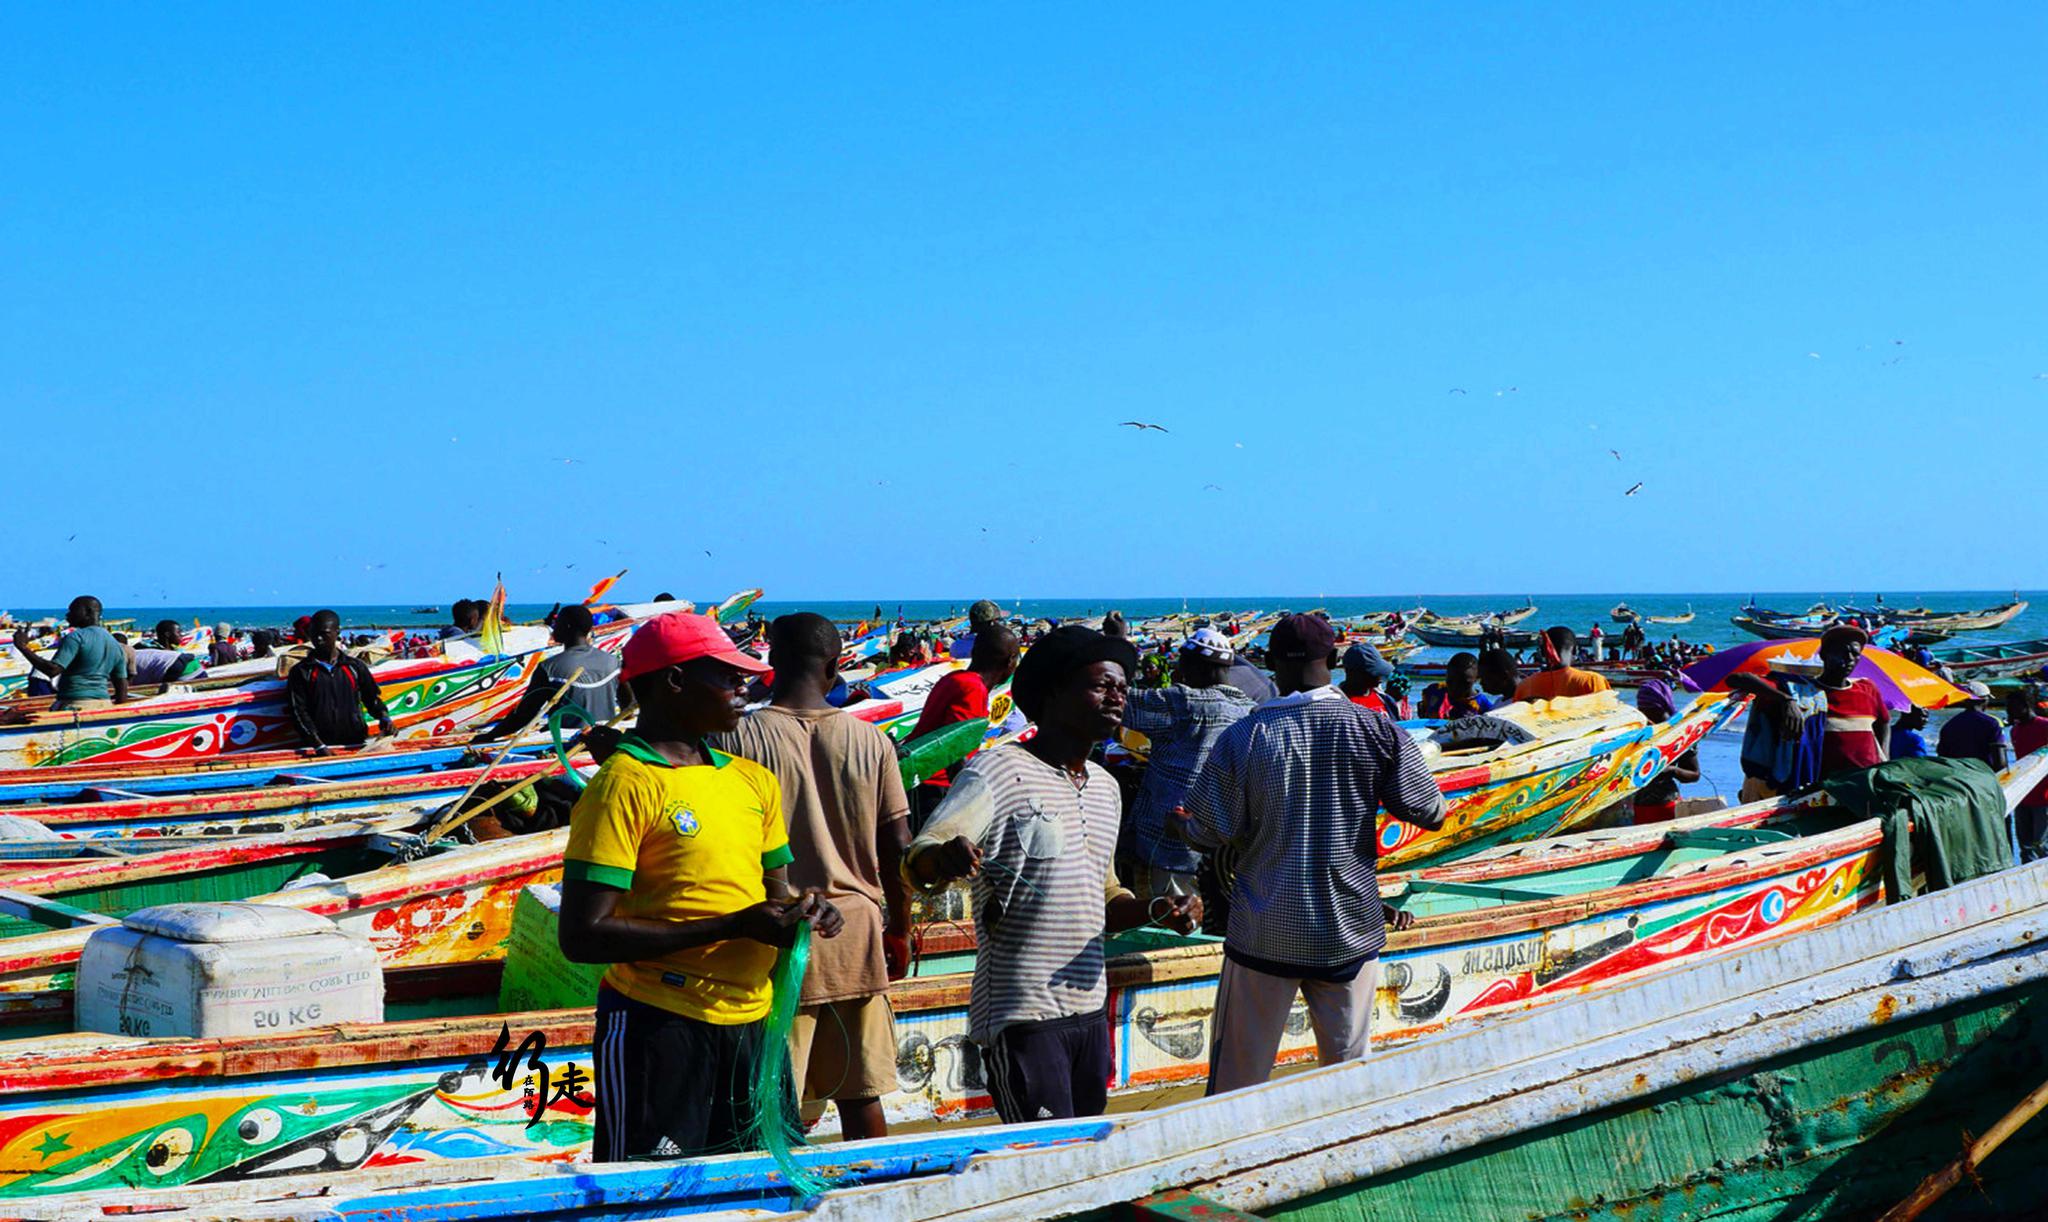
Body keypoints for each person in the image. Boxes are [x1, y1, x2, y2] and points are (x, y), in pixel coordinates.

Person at [557, 610, 843, 1161]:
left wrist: (806, 911)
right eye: (728, 677)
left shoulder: (749, 780)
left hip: (753, 1025)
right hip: (659, 1024)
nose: (745, 688)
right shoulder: (623, 785)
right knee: (649, 1200)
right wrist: (734, 926)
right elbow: (584, 935)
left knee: (760, 1187)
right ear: (674, 681)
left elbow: (773, 893)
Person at [903, 625, 1195, 1125]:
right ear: (1054, 692)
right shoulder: (998, 771)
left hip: (1087, 1009)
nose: (1117, 697)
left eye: (1122, 687)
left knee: (1085, 1151)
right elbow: (920, 859)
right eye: (1102, 685)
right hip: (1022, 1014)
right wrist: (945, 857)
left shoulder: (1105, 787)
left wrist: (1158, 910)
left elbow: (1103, 897)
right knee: (1040, 1155)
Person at [1182, 613, 1446, 1096]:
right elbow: (1429, 811)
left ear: (1271, 663)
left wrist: (1180, 823)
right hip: (1348, 929)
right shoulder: (1376, 729)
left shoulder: (1245, 736)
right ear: (1335, 659)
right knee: (1348, 1080)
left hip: (1265, 933)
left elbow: (1206, 833)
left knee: (1238, 1083)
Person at [715, 613, 911, 1142]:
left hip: (781, 938)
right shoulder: (873, 741)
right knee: (861, 1095)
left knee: (773, 1106)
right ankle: (879, 1198)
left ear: (770, 661)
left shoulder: (736, 737)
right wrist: (901, 928)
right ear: (835, 664)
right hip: (859, 934)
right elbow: (898, 850)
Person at [1115, 627, 1255, 899]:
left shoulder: (1184, 703)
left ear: (1191, 665)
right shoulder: (1249, 710)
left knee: (1167, 920)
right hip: (1221, 852)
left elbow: (1120, 704)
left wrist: (1117, 641)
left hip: (1169, 847)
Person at [1729, 625, 1888, 791]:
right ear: (1824, 655)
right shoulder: (1801, 689)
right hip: (1822, 788)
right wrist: (1787, 700)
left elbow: (1884, 722)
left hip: (1865, 783)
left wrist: (1884, 757)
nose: (1848, 659)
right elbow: (1738, 679)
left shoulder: (1867, 688)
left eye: (1855, 654)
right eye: (1841, 652)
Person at [903, 625, 1020, 825]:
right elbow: (956, 752)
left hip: (920, 780)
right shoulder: (972, 688)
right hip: (934, 787)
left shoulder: (954, 678)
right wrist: (968, 799)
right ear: (1011, 661)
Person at [475, 605, 628, 742]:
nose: (554, 627)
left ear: (567, 626)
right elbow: (627, 704)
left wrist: (490, 736)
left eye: (557, 623)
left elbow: (524, 715)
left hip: (568, 741)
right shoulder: (613, 661)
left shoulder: (549, 667)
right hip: (606, 738)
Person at [285, 611, 396, 754]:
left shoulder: (355, 667)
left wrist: (384, 718)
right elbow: (298, 712)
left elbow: (372, 698)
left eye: (324, 634)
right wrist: (318, 745)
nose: (318, 639)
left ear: (337, 632)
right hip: (320, 747)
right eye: (313, 634)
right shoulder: (301, 671)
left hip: (355, 742)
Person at [10, 596, 128, 711]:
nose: (67, 615)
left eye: (73, 610)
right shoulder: (115, 644)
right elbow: (122, 686)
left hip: (75, 704)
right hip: (103, 704)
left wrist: (23, 647)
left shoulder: (76, 637)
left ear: (88, 612)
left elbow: (53, 670)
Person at [1630, 680, 1700, 824]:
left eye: (1650, 709)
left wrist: (1670, 770)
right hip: (1638, 803)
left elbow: (1694, 774)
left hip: (1666, 802)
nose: (1646, 714)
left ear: (1661, 705)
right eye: (1642, 709)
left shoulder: (1680, 732)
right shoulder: (1639, 731)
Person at [1512, 627, 1612, 702]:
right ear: (1575, 650)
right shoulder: (1592, 681)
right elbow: (1610, 717)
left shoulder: (1524, 686)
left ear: (1543, 652)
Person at [2008, 688, 2048, 862]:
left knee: (2042, 845)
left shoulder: (2045, 726)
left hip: (2044, 797)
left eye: (2012, 708)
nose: (2009, 712)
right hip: (2022, 796)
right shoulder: (2015, 730)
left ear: (2025, 706)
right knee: (2025, 847)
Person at [1937, 681, 2008, 770]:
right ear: (1985, 700)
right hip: (1984, 776)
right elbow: (2000, 762)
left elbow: (1943, 758)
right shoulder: (1992, 723)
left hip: (1958, 777)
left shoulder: (1949, 725)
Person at [130, 620, 204, 692]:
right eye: (178, 632)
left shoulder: (177, 650)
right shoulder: (148, 648)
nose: (181, 635)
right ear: (167, 634)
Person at [1417, 653, 1495, 720]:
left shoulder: (1483, 705)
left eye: (1464, 683)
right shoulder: (1434, 691)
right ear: (1446, 675)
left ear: (1477, 678)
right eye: (1450, 681)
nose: (1455, 687)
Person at [1337, 642, 1395, 714]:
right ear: (1356, 674)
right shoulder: (1340, 705)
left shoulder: (1383, 699)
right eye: (1375, 673)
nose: (1380, 678)